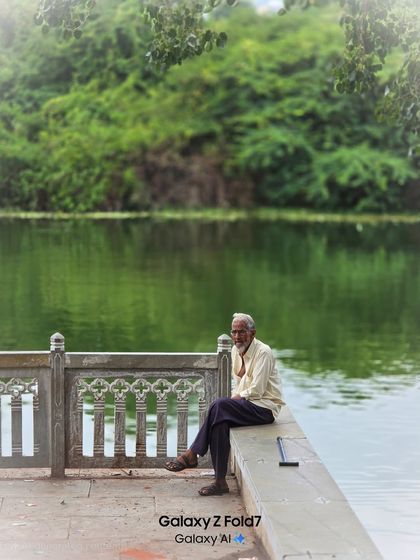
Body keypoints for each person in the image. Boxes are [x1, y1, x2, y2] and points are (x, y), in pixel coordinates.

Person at [165, 312, 285, 496]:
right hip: (248, 405)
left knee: (219, 405)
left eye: (242, 332)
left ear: (252, 333)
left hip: (264, 408)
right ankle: (220, 482)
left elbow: (258, 390)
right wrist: (233, 399)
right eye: (234, 332)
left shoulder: (263, 352)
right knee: (220, 422)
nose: (237, 336)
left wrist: (233, 400)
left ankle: (192, 453)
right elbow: (239, 384)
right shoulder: (235, 351)